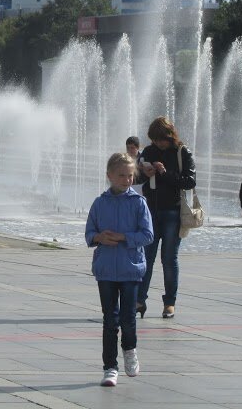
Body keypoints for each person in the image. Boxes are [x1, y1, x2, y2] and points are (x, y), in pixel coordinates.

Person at [86, 153, 154, 387]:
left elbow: (148, 235)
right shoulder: (99, 203)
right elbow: (89, 233)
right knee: (109, 320)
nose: (126, 180)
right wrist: (99, 237)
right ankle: (109, 367)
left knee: (127, 318)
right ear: (110, 176)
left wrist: (124, 237)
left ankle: (130, 349)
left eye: (130, 175)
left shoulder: (138, 203)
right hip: (105, 270)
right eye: (121, 175)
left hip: (130, 269)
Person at [137, 117, 196, 319]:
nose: (158, 144)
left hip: (172, 211)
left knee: (169, 259)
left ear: (170, 136)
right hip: (150, 211)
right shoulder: (148, 151)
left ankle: (169, 303)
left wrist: (165, 173)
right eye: (154, 140)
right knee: (147, 257)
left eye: (161, 140)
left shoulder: (181, 152)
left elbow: (189, 181)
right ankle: (139, 300)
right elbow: (134, 176)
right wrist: (145, 173)